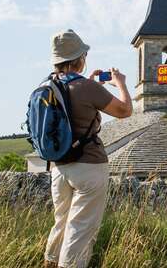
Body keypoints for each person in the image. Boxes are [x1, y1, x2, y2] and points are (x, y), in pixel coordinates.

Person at [43, 29, 133, 268]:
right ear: (79, 59)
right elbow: (125, 111)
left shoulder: (48, 86)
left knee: (61, 223)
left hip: (59, 168)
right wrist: (121, 84)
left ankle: (50, 263)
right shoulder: (87, 87)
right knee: (80, 231)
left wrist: (90, 86)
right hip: (89, 166)